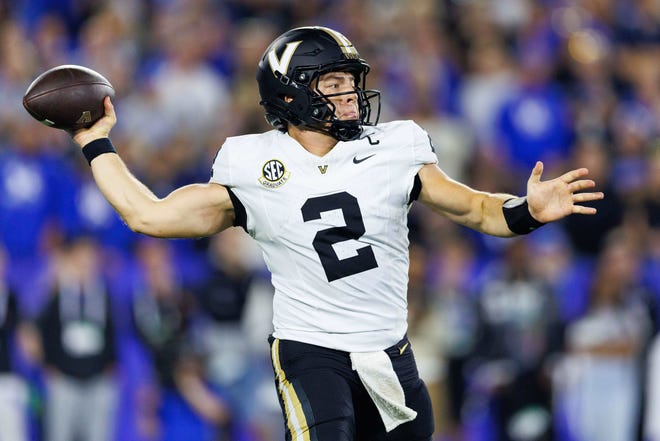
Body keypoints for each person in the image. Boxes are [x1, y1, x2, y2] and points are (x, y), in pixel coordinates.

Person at [66, 26, 603, 441]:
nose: (350, 95)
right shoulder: (250, 163)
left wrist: (527, 210)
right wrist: (96, 141)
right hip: (310, 348)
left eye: (351, 82)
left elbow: (479, 211)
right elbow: (149, 216)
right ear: (293, 95)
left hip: (388, 350)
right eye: (333, 83)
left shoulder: (394, 146)